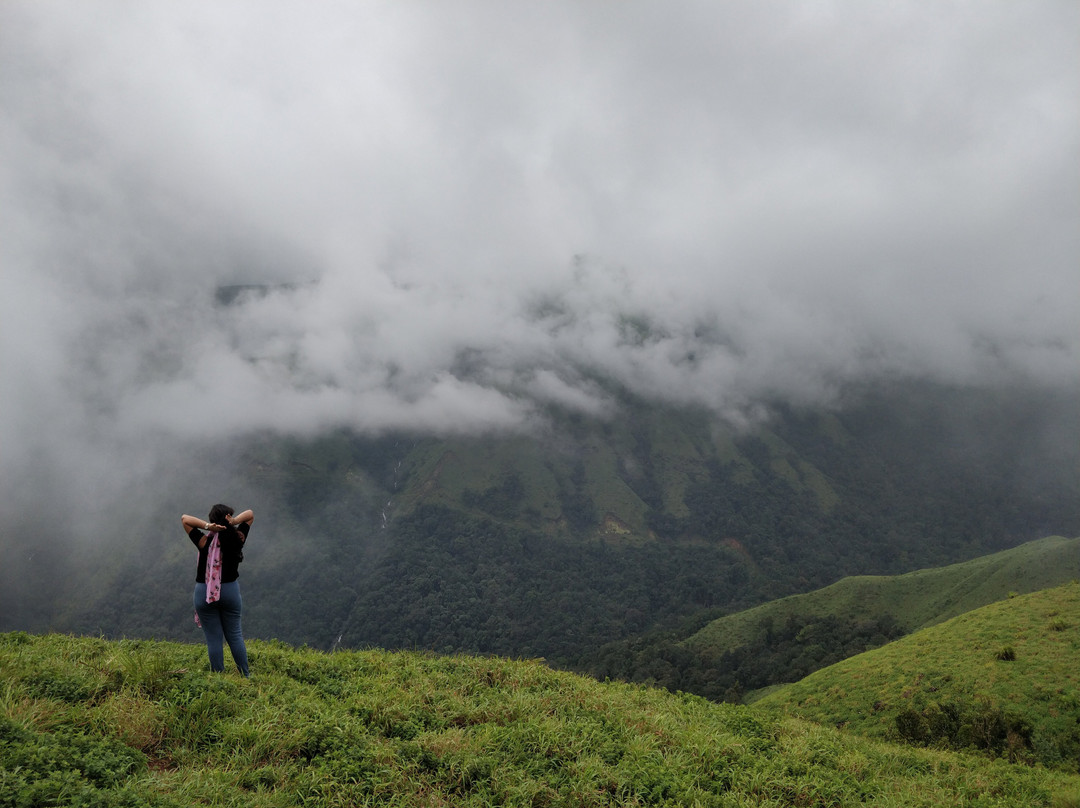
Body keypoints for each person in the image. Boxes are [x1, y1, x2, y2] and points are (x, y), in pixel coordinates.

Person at [181, 505, 254, 677]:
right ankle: (245, 675)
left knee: (214, 638)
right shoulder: (238, 539)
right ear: (229, 519)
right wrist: (235, 522)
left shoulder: (204, 542)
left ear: (213, 521)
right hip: (230, 592)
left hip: (204, 593)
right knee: (235, 635)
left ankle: (219, 678)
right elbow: (250, 515)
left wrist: (208, 527)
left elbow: (185, 518)